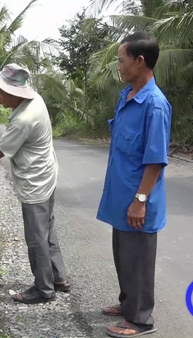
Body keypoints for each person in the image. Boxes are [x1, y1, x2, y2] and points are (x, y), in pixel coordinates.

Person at [0, 63, 69, 304]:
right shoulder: (33, 99)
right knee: (47, 228)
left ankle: (43, 290)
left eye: (1, 91)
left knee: (36, 237)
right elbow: (1, 98)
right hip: (46, 173)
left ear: (14, 93)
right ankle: (58, 278)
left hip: (34, 182)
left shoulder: (24, 120)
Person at [97, 33, 171, 338]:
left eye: (121, 60)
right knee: (124, 256)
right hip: (121, 196)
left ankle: (140, 320)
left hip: (138, 199)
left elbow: (155, 160)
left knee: (138, 260)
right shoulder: (127, 95)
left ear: (140, 62)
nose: (119, 65)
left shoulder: (154, 105)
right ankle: (128, 303)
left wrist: (140, 199)